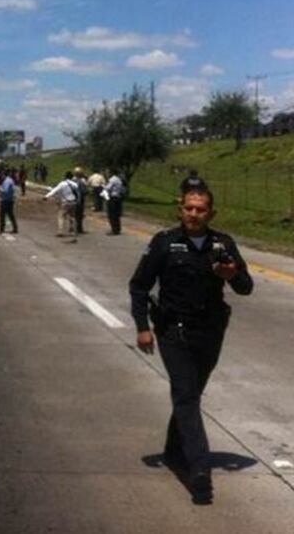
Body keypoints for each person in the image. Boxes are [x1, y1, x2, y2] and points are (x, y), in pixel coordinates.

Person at [129, 186, 253, 504]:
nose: (194, 214)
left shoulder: (222, 244)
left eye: (200, 209)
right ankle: (199, 471)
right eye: (189, 208)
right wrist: (143, 327)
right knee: (185, 395)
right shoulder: (165, 243)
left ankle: (173, 449)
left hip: (210, 332)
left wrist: (232, 273)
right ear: (180, 210)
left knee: (191, 394)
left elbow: (245, 287)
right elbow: (140, 286)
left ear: (211, 213)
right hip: (174, 332)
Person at [43, 171, 80, 237]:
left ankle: (60, 231)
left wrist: (46, 196)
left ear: (65, 176)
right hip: (74, 202)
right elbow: (78, 193)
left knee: (61, 216)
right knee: (72, 217)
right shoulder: (75, 184)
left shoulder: (62, 184)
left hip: (65, 202)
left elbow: (54, 190)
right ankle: (73, 230)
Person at [105, 170, 126, 235]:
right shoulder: (119, 180)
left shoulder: (112, 179)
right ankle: (117, 229)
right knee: (116, 215)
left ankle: (113, 230)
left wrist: (104, 187)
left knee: (111, 214)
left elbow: (107, 188)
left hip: (113, 198)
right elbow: (123, 190)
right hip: (118, 198)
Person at [0, 168, 18, 233]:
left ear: (4, 175)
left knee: (2, 215)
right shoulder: (10, 180)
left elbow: (5, 191)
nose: (1, 176)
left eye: (1, 175)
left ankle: (2, 229)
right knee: (11, 214)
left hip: (5, 200)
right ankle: (15, 228)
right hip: (10, 200)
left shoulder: (6, 181)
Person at [72, 167, 88, 234]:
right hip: (80, 199)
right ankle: (79, 228)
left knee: (74, 214)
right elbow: (84, 190)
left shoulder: (72, 180)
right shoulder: (82, 181)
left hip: (72, 198)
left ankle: (73, 228)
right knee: (79, 214)